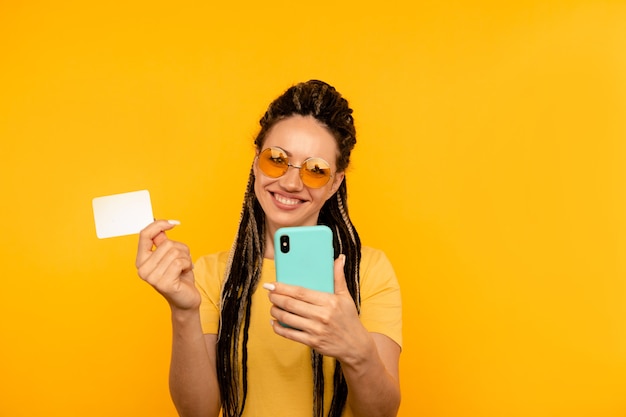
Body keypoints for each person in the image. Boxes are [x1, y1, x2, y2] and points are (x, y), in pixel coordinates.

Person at [135, 80, 402, 417]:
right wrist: (183, 312)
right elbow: (197, 413)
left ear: (335, 182)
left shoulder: (369, 272)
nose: (290, 182)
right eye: (277, 159)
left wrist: (359, 351)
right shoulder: (210, 274)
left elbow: (382, 414)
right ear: (256, 161)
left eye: (316, 170)